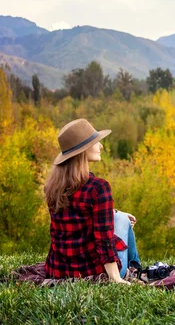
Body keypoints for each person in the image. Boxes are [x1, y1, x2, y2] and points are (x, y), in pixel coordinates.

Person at [44, 118, 141, 284]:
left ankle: (136, 269)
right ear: (83, 149)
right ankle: (136, 270)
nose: (101, 146)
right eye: (96, 142)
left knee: (119, 217)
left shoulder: (53, 186)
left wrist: (113, 213)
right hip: (93, 271)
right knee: (123, 221)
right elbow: (104, 241)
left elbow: (77, 215)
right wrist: (115, 278)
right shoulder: (98, 187)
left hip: (57, 270)